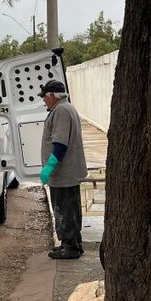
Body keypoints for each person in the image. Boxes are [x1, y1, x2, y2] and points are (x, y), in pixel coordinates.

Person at [39, 80, 88, 259]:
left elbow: (60, 144)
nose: (44, 101)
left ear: (52, 95)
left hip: (63, 172)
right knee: (71, 209)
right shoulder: (66, 108)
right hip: (69, 171)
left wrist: (50, 167)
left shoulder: (61, 111)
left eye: (45, 97)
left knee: (64, 209)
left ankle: (70, 247)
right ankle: (73, 243)